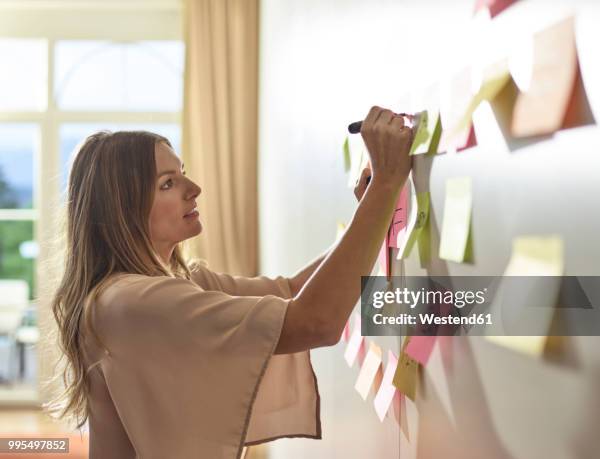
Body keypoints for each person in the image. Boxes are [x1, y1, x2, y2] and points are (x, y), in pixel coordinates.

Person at [44, 106, 415, 459]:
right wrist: (385, 185)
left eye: (182, 172)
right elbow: (314, 321)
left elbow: (294, 291)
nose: (194, 188)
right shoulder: (133, 301)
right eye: (168, 183)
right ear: (124, 209)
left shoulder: (176, 281)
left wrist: (371, 210)